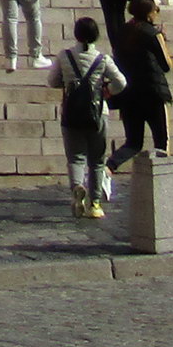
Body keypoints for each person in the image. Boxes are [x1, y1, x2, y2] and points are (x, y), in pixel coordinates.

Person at [51, 16, 128, 218]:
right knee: (97, 160)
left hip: (71, 112)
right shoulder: (102, 59)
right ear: (96, 35)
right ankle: (95, 204)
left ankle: (77, 188)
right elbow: (121, 82)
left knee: (75, 158)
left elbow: (52, 81)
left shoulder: (64, 56)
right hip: (97, 114)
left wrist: (68, 83)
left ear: (76, 34)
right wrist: (107, 91)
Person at [104, 0, 173, 174]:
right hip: (152, 92)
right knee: (161, 142)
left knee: (133, 142)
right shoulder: (152, 33)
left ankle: (107, 168)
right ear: (149, 12)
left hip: (129, 94)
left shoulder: (122, 32)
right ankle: (162, 181)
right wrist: (163, 41)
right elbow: (166, 65)